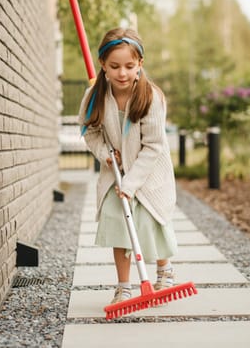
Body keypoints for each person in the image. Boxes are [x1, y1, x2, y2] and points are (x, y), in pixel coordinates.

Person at [78, 27, 178, 305]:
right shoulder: (93, 97)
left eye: (129, 66)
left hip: (149, 173)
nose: (122, 73)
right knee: (117, 224)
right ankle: (124, 286)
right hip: (115, 174)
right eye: (115, 66)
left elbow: (155, 145)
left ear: (140, 64)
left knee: (151, 220)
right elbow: (90, 133)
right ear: (103, 65)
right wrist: (106, 156)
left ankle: (164, 268)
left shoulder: (150, 98)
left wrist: (133, 183)